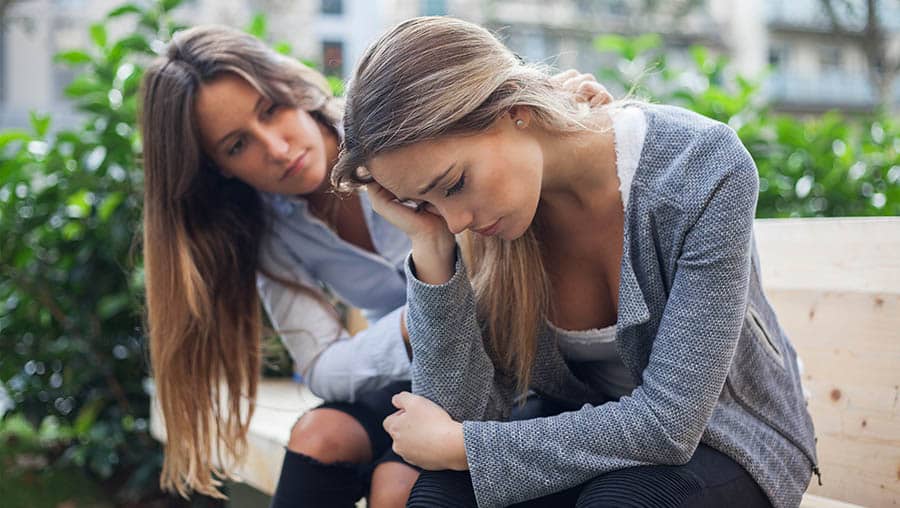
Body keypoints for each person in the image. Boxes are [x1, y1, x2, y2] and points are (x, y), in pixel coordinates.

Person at [333, 16, 819, 508]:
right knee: (441, 496)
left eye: (454, 184)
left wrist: (464, 445)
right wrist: (431, 247)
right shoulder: (488, 223)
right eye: (427, 202)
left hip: (729, 441)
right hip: (581, 442)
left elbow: (671, 424)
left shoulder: (698, 165)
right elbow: (459, 416)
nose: (455, 219)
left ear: (514, 110)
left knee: (621, 501)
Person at [138, 24, 610, 507]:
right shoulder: (269, 230)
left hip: (502, 367)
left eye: (271, 110)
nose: (276, 148)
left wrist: (565, 113)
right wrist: (412, 325)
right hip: (415, 371)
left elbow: (504, 122)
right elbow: (321, 366)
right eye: (237, 145)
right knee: (321, 434)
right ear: (219, 168)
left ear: (290, 88)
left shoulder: (397, 137)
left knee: (397, 485)